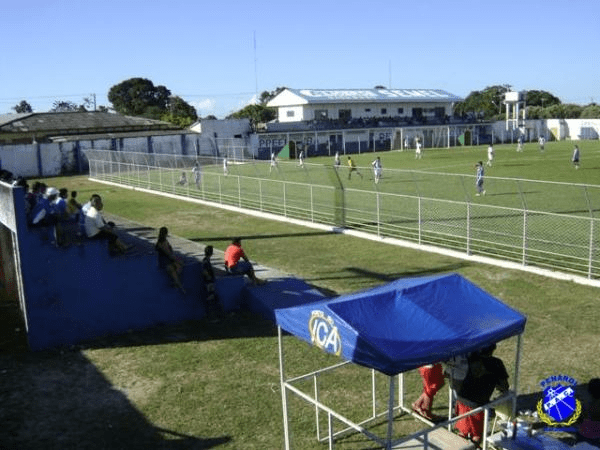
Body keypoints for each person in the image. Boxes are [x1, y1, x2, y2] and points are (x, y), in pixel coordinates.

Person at [454, 344, 509, 445]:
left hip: (461, 398)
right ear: (493, 349)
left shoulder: (470, 358)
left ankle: (458, 445)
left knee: (463, 431)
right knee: (477, 435)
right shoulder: (496, 363)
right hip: (475, 404)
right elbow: (504, 386)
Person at [155, 226, 185, 293]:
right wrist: (177, 261)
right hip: (164, 262)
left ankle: (176, 282)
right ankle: (180, 286)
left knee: (178, 266)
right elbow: (169, 254)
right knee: (173, 269)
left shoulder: (164, 241)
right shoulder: (162, 243)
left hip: (167, 260)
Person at [201, 245, 223, 322]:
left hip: (209, 282)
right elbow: (204, 271)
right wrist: (209, 277)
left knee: (212, 298)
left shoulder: (206, 260)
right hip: (208, 283)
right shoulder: (206, 261)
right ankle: (211, 317)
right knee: (211, 298)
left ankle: (213, 316)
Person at [578, 378, 600, 444]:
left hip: (582, 433)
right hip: (596, 437)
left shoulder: (585, 404)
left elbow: (579, 419)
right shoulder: (597, 407)